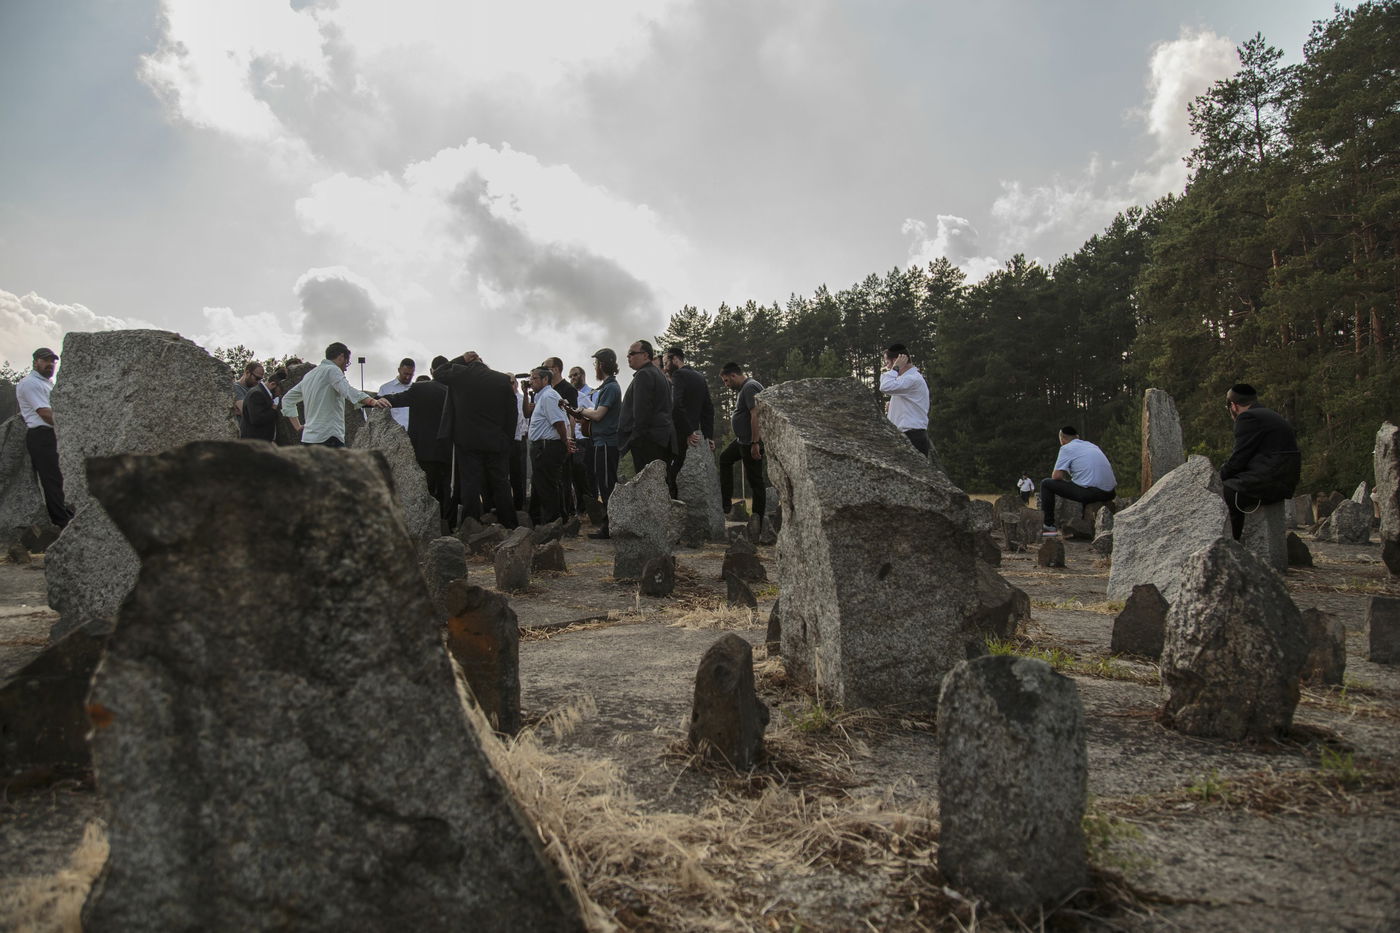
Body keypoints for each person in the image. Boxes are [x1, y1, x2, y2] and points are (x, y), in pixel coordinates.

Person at [435, 351, 518, 528]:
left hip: (467, 441)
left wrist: (461, 359)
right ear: (484, 363)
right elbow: (512, 413)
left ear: (468, 363)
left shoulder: (460, 376)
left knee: (470, 484)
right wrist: (507, 439)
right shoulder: (501, 379)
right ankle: (509, 524)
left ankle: (470, 524)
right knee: (501, 483)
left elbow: (438, 373)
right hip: (496, 439)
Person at [382, 355, 456, 532]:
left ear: (431, 371)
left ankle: (426, 527)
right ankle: (447, 525)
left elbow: (396, 399)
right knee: (446, 489)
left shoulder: (419, 389)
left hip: (423, 448)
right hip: (447, 449)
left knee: (426, 488)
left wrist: (371, 401)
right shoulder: (453, 391)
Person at [1220, 383, 1301, 541]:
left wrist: (1217, 477)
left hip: (1270, 479)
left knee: (1225, 493)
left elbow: (1238, 459)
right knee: (1229, 489)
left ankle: (1231, 546)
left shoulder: (1248, 418)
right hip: (1284, 479)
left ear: (1233, 406)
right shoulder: (1268, 415)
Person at [280, 343, 391, 447]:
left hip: (308, 439)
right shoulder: (332, 370)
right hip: (328, 437)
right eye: (347, 363)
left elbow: (287, 399)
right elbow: (347, 390)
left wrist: (298, 427)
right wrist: (373, 401)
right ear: (341, 357)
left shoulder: (309, 375)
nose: (346, 368)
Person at [15, 347, 73, 528]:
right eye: (45, 360)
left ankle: (65, 514)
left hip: (52, 434)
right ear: (35, 362)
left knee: (61, 478)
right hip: (42, 435)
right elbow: (45, 413)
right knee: (52, 478)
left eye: (53, 361)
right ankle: (61, 520)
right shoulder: (31, 383)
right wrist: (72, 427)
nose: (50, 364)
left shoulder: (47, 384)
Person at [573, 349, 621, 538]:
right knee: (604, 483)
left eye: (596, 364)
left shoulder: (610, 388)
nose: (595, 368)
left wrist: (583, 411)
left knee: (608, 485)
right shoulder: (607, 387)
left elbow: (599, 414)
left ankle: (610, 527)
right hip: (601, 442)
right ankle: (609, 526)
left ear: (601, 364)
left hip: (608, 443)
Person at [1039, 426, 1117, 535]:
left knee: (1046, 483)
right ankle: (1085, 523)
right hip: (1110, 492)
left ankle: (1048, 526)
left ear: (1062, 439)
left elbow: (1056, 476)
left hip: (1091, 493)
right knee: (1081, 482)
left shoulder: (1066, 448)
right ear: (1078, 437)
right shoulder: (1092, 445)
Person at [663, 346, 715, 501]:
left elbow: (677, 405)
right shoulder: (699, 376)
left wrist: (688, 432)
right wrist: (708, 436)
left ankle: (672, 506)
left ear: (675, 359)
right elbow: (708, 408)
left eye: (666, 363)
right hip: (696, 436)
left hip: (681, 434)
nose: (665, 368)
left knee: (673, 473)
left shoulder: (679, 375)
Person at [617, 340, 675, 473]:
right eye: (628, 355)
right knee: (658, 482)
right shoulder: (659, 374)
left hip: (647, 441)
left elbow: (641, 411)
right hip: (661, 438)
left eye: (632, 353)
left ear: (645, 355)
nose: (628, 357)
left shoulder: (644, 375)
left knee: (647, 485)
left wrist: (635, 439)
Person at [718, 362, 765, 520]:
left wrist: (755, 443)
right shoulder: (746, 388)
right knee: (725, 458)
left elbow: (755, 415)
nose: (726, 385)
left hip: (751, 442)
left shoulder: (750, 387)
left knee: (755, 481)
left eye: (726, 381)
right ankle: (725, 504)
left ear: (733, 375)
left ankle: (758, 520)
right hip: (742, 441)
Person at [526, 366, 573, 524]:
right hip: (543, 446)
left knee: (548, 486)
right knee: (544, 484)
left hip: (547, 447)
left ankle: (554, 522)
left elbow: (559, 422)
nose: (531, 381)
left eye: (535, 378)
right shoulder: (543, 396)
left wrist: (565, 441)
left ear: (545, 379)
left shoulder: (548, 396)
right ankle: (550, 519)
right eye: (531, 378)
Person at [879, 343, 936, 465]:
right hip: (909, 435)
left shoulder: (912, 379)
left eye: (888, 363)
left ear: (896, 361)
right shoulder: (908, 379)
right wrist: (893, 406)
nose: (886, 366)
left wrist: (895, 368)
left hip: (912, 436)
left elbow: (885, 386)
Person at [567, 365, 595, 515]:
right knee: (575, 475)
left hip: (585, 438)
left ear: (583, 375)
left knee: (585, 473)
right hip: (572, 439)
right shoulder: (569, 395)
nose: (573, 378)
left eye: (575, 375)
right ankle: (581, 508)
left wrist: (582, 416)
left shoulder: (590, 394)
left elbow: (595, 411)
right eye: (570, 376)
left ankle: (591, 506)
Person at [239, 367, 282, 442]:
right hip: (254, 443)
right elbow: (257, 419)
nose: (280, 394)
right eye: (280, 390)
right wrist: (274, 409)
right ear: (273, 384)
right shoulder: (257, 393)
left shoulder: (261, 392)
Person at [378, 358, 415, 429]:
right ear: (399, 370)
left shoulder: (415, 389)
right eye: (405, 374)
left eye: (411, 374)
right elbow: (379, 413)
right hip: (393, 433)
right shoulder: (385, 388)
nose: (408, 377)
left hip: (412, 433)